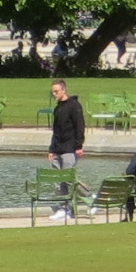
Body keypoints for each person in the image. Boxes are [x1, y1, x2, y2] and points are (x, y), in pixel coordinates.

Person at [45, 80, 86, 221]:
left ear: (63, 90)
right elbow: (55, 130)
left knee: (68, 179)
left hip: (70, 148)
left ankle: (86, 199)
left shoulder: (74, 106)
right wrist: (51, 149)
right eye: (53, 92)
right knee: (58, 180)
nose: (54, 94)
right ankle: (63, 208)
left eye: (56, 91)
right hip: (57, 148)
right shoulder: (57, 109)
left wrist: (79, 145)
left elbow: (80, 126)